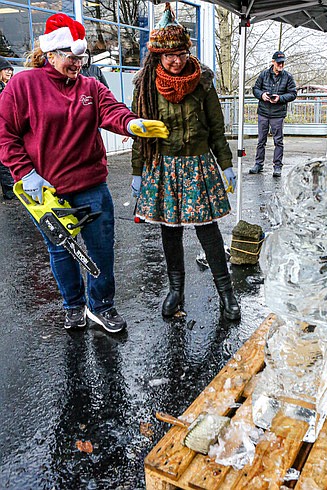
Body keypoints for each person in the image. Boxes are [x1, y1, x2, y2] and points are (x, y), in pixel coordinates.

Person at [0, 13, 168, 333]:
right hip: (47, 190)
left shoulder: (90, 86)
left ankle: (101, 306)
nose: (78, 63)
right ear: (50, 54)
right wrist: (25, 174)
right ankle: (73, 306)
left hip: (91, 185)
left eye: (81, 57)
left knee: (102, 251)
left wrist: (132, 124)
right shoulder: (24, 85)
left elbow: (111, 110)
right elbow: (5, 134)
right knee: (61, 252)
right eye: (71, 57)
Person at [130, 3, 240, 321]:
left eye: (180, 54)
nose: (175, 61)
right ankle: (175, 290)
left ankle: (226, 293)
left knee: (208, 230)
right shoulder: (146, 86)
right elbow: (141, 132)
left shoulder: (203, 82)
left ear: (187, 52)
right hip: (162, 166)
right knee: (171, 231)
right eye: (168, 56)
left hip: (197, 164)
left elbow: (217, 128)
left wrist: (226, 163)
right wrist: (137, 171)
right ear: (158, 57)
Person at [249, 50, 297, 177]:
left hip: (278, 114)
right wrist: (262, 95)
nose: (281, 65)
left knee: (278, 141)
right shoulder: (263, 74)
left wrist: (280, 98)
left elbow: (293, 94)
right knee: (261, 140)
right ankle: (258, 164)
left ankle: (277, 166)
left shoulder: (288, 77)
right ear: (273, 62)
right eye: (279, 63)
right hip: (263, 112)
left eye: (283, 63)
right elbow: (255, 89)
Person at [0, 56, 15, 200]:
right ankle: (9, 190)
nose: (9, 72)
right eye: (5, 69)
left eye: (10, 69)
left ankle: (10, 189)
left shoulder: (9, 86)